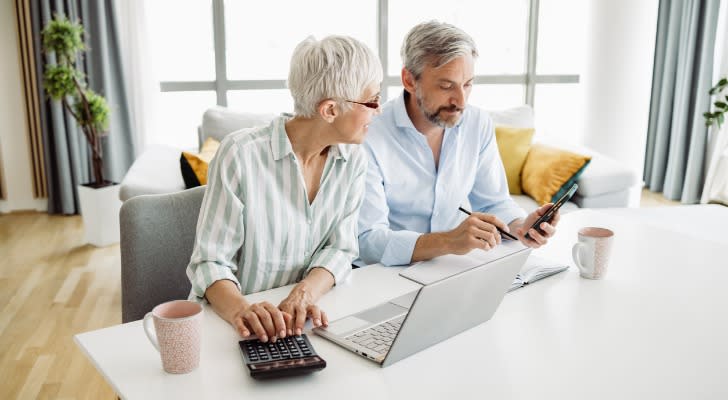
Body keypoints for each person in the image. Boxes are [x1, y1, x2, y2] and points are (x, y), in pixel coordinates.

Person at [186, 35, 383, 342]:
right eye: (372, 101)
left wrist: (304, 294)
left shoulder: (353, 160)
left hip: (301, 327)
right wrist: (241, 310)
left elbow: (341, 249)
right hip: (230, 328)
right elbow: (209, 262)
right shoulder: (241, 154)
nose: (378, 111)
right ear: (330, 110)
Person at [357, 21, 559, 267]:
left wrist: (520, 227)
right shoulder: (368, 135)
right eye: (446, 86)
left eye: (467, 84)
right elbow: (368, 240)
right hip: (388, 274)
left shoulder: (477, 123)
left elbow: (493, 201)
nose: (461, 101)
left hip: (451, 268)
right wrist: (449, 241)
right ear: (409, 80)